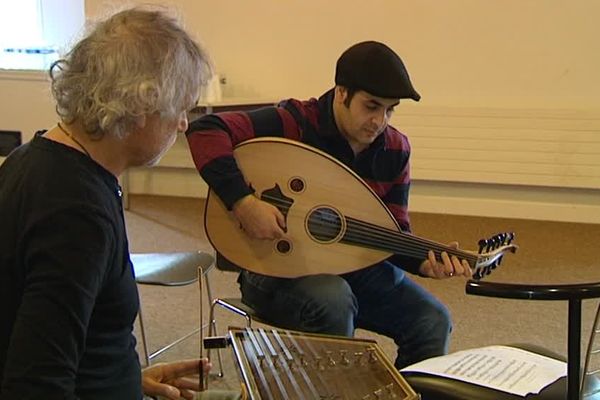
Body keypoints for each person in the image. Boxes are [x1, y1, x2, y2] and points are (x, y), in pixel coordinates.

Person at [186, 40, 472, 370]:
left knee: (433, 319)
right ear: (341, 93)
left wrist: (423, 262)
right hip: (273, 267)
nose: (379, 121)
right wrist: (244, 203)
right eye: (371, 106)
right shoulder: (295, 123)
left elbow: (391, 233)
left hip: (358, 269)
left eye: (390, 110)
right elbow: (206, 129)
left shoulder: (395, 149)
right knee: (333, 299)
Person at [0, 7, 240, 400]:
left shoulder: (35, 158)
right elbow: (36, 384)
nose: (183, 124)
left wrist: (130, 376)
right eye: (181, 107)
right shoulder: (76, 214)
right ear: (143, 104)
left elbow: (51, 335)